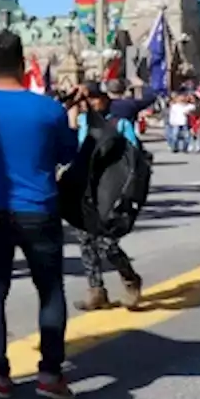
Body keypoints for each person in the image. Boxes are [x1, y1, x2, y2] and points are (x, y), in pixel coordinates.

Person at [0, 30, 79, 399]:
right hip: (38, 207)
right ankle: (51, 373)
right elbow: (66, 153)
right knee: (50, 290)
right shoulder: (49, 109)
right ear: (24, 64)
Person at [69, 84, 144, 310]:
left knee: (106, 244)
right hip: (85, 190)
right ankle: (96, 290)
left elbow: (134, 158)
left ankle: (130, 278)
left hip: (110, 191)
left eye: (95, 98)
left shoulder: (119, 124)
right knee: (85, 242)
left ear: (104, 99)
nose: (90, 103)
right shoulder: (82, 122)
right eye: (87, 100)